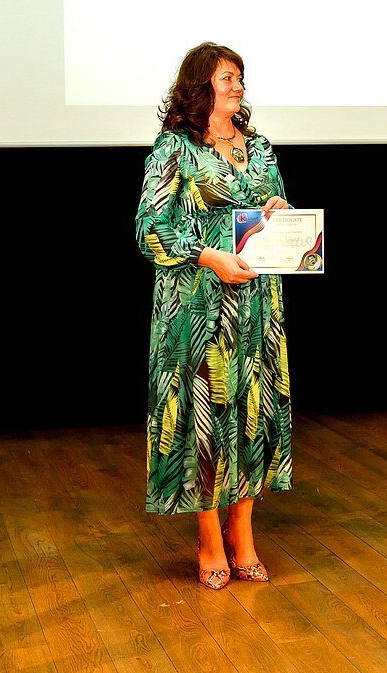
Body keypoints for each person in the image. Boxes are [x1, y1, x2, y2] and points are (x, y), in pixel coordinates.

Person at [136, 42, 291, 589]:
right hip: (198, 305)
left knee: (253, 414)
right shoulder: (175, 148)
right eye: (227, 77)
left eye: (240, 77)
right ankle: (207, 538)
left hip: (256, 304)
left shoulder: (260, 147)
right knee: (205, 420)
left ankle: (242, 531)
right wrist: (209, 256)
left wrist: (278, 214)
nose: (238, 86)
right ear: (200, 85)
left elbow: (275, 208)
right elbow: (149, 229)